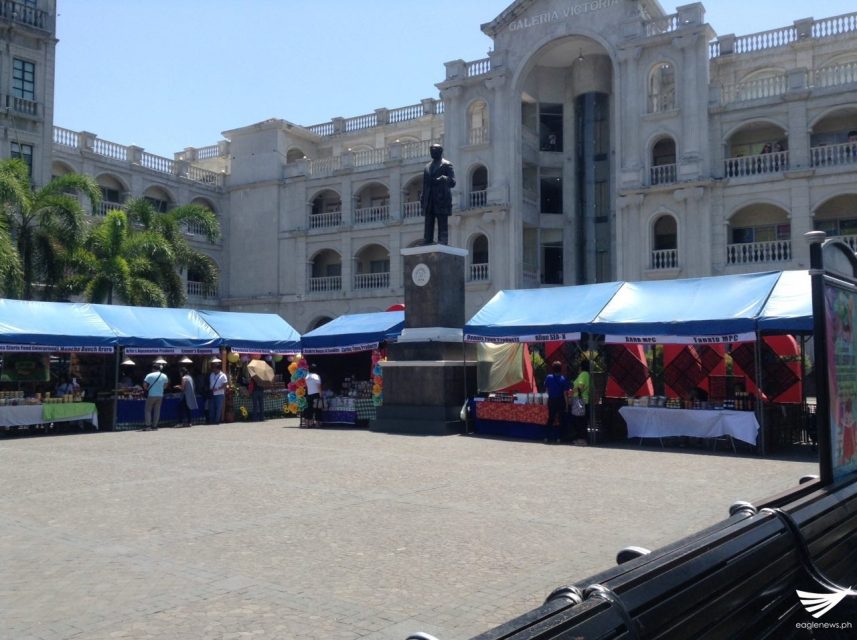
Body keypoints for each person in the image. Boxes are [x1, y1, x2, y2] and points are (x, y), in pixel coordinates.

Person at [420, 143, 456, 245]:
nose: (432, 153)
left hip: (442, 197)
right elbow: (425, 184)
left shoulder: (446, 164)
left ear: (440, 152)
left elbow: (453, 182)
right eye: (431, 151)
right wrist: (423, 197)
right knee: (428, 219)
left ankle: (443, 240)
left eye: (434, 151)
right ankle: (428, 239)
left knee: (442, 220)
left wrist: (444, 178)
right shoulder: (427, 167)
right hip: (429, 197)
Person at [543, 361, 569, 444]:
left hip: (551, 400)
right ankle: (558, 438)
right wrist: (567, 405)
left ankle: (547, 437)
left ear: (553, 368)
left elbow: (546, 390)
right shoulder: (563, 379)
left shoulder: (548, 377)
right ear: (560, 369)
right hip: (560, 400)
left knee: (551, 418)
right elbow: (565, 393)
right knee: (561, 419)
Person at [142, 364, 168, 431]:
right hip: (160, 395)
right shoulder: (164, 376)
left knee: (148, 410)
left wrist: (147, 389)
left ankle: (148, 426)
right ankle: (155, 426)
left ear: (153, 368)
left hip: (151, 394)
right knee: (157, 410)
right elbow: (165, 386)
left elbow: (144, 385)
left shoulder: (149, 375)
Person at [572, 359, 592, 446]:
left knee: (579, 421)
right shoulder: (588, 375)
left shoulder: (583, 374)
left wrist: (571, 391)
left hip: (580, 400)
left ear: (581, 367)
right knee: (582, 420)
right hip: (584, 400)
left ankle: (582, 439)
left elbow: (580, 386)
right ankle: (582, 439)